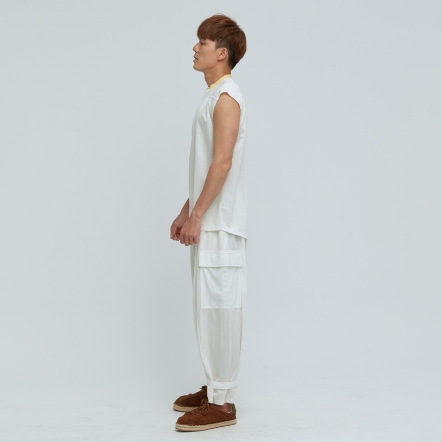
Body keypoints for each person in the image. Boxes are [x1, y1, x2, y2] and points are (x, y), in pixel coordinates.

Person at [169, 13, 248, 432]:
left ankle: (223, 402)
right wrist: (187, 210)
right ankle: (216, 388)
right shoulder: (212, 96)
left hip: (221, 226)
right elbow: (207, 168)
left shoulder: (227, 96)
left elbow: (223, 162)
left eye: (202, 42)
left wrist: (198, 215)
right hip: (208, 222)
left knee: (221, 310)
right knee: (209, 308)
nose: (195, 48)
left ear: (222, 53)